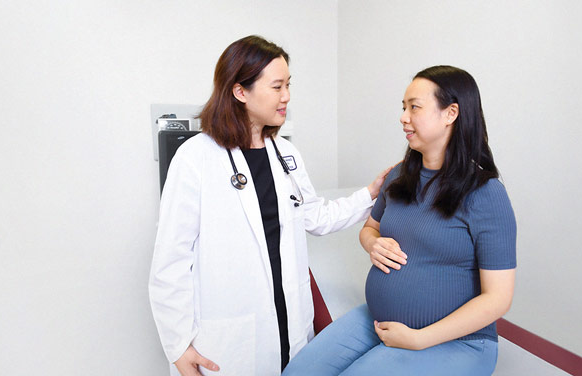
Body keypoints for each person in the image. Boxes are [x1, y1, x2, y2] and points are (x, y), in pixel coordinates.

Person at [148, 35, 391, 376]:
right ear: (240, 92)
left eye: (288, 85)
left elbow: (315, 217)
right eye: (277, 86)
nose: (287, 96)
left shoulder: (285, 154)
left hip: (290, 325)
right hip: (228, 339)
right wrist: (178, 346)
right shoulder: (196, 158)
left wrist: (370, 193)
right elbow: (170, 263)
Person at [282, 65, 517, 376]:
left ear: (451, 113)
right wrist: (372, 243)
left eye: (414, 107)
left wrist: (419, 339)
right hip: (378, 319)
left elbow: (498, 298)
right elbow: (370, 229)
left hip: (457, 342)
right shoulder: (399, 176)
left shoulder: (485, 193)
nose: (403, 117)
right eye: (403, 107)